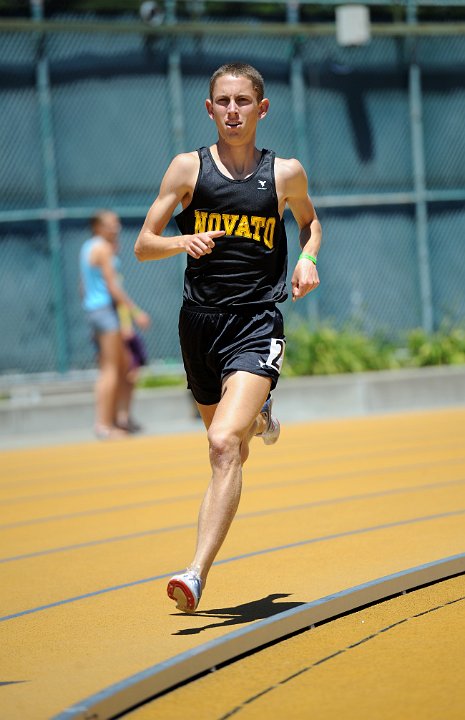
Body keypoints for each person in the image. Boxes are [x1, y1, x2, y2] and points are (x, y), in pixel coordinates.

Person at [134, 62, 321, 613]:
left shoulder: (284, 174)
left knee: (221, 446)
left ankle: (195, 573)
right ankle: (261, 418)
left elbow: (312, 222)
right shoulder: (187, 169)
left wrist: (308, 257)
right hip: (200, 326)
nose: (233, 111)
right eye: (223, 101)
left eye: (243, 101)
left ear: (262, 109)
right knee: (233, 444)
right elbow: (144, 242)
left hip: (257, 321)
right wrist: (181, 244)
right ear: (209, 109)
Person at [80, 210, 151, 439]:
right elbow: (112, 286)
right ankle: (103, 426)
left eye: (116, 224)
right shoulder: (102, 248)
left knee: (123, 368)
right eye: (111, 225)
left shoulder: (89, 247)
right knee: (110, 371)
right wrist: (136, 312)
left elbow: (83, 286)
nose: (116, 228)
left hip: (97, 312)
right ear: (98, 227)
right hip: (106, 312)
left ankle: (115, 420)